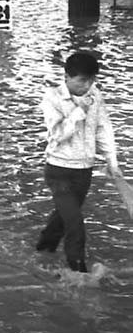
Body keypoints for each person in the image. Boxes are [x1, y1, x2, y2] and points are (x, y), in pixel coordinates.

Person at [35, 51, 122, 273]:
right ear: (66, 77)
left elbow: (103, 128)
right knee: (75, 224)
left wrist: (112, 161)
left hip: (84, 170)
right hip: (58, 170)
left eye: (91, 80)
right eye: (82, 80)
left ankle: (44, 249)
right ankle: (78, 271)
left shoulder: (96, 95)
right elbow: (57, 134)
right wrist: (78, 111)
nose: (87, 86)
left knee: (63, 217)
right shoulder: (52, 98)